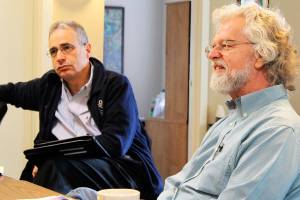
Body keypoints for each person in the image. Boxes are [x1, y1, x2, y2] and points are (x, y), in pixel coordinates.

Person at [0, 21, 162, 200]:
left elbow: (115, 144)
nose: (59, 57)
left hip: (122, 172)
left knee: (54, 166)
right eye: (53, 51)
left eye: (66, 48)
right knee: (36, 175)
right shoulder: (50, 86)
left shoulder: (116, 85)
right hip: (64, 170)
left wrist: (52, 156)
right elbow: (9, 92)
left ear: (87, 49)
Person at [157, 3, 300, 200]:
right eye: (213, 46)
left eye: (226, 45)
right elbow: (177, 184)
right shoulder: (228, 123)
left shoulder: (278, 129)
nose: (212, 54)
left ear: (261, 54)